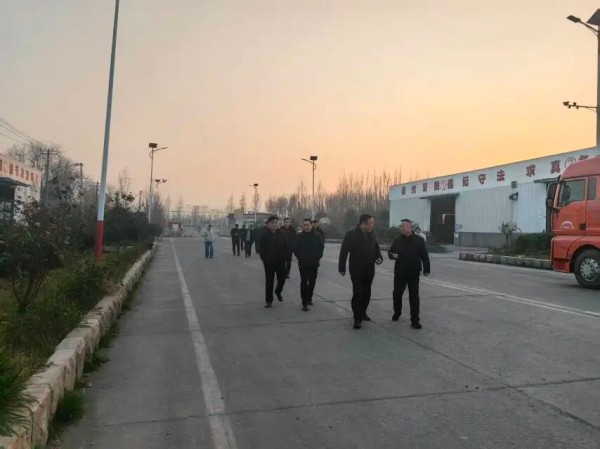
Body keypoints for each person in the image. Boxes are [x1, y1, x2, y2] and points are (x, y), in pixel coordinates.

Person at [338, 214, 383, 329]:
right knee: (358, 292)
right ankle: (357, 318)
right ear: (363, 224)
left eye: (373, 223)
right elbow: (344, 251)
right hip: (356, 268)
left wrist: (379, 257)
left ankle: (363, 312)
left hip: (369, 268)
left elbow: (376, 248)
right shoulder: (351, 234)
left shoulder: (372, 234)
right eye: (371, 223)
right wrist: (341, 267)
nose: (372, 225)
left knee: (367, 292)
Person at [388, 219, 430, 329]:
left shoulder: (419, 240)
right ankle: (397, 312)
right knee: (397, 294)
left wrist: (427, 268)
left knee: (414, 297)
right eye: (400, 226)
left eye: (403, 226)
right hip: (400, 272)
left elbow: (424, 255)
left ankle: (415, 320)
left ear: (410, 228)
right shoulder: (397, 240)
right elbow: (390, 252)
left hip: (413, 272)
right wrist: (392, 255)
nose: (401, 228)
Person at [293, 218, 324, 311]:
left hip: (314, 262)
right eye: (304, 225)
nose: (306, 227)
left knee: (312, 281)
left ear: (311, 225)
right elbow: (295, 248)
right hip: (303, 263)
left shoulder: (317, 235)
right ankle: (304, 302)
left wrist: (318, 257)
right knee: (304, 281)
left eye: (308, 225)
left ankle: (309, 297)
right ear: (302, 226)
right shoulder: (299, 236)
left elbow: (321, 247)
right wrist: (300, 256)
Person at [259, 215, 289, 308]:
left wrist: (285, 258)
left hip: (280, 261)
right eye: (272, 223)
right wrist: (264, 258)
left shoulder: (283, 234)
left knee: (282, 279)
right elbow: (261, 248)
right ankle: (269, 301)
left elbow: (287, 246)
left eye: (276, 223)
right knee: (269, 281)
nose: (274, 224)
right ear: (268, 224)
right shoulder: (264, 235)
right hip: (268, 262)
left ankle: (278, 291)